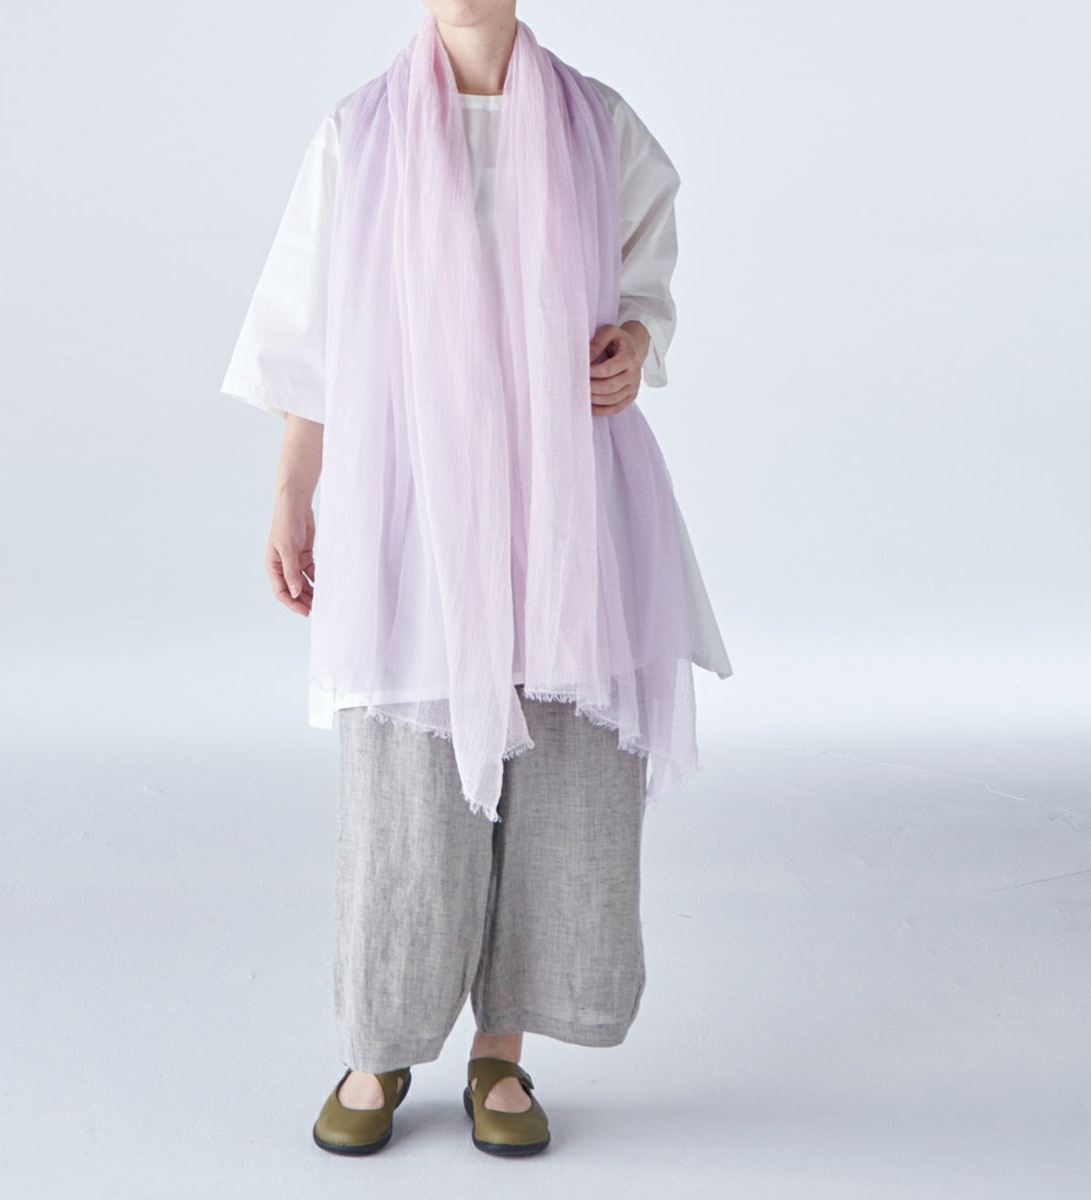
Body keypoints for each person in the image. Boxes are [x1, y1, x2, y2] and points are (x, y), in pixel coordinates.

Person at [220, 0, 732, 1158]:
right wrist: (294, 489)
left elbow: (644, 281)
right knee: (404, 781)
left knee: (560, 775)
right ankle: (381, 1042)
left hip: (565, 501)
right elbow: (311, 336)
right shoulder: (358, 135)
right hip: (412, 500)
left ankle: (504, 1046)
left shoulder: (600, 124)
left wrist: (636, 343)